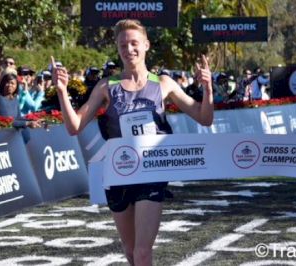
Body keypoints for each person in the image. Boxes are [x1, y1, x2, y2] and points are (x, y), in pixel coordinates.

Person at [51, 19, 213, 266]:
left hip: (152, 172)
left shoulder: (164, 84)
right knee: (130, 251)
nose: (129, 50)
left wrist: (208, 88)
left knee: (142, 253)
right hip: (119, 173)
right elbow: (74, 127)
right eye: (123, 45)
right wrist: (62, 91)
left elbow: (204, 118)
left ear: (146, 45)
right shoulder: (107, 87)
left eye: (134, 43)